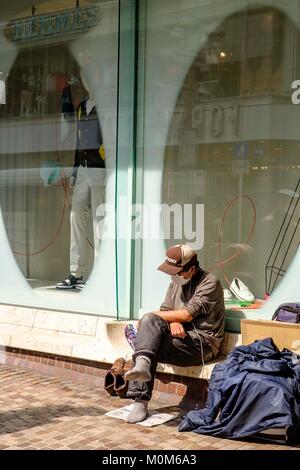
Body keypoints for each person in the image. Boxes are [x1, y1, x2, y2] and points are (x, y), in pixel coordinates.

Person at [124, 244, 225, 423]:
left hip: (202, 344)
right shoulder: (176, 282)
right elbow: (167, 310)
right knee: (148, 339)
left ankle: (141, 395)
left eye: (177, 272)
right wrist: (174, 321)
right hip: (178, 338)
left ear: (191, 269)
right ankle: (142, 370)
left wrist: (175, 318)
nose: (173, 276)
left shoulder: (210, 282)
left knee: (147, 337)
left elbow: (187, 314)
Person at [56, 73, 106, 289]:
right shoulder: (81, 107)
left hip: (100, 168)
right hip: (84, 168)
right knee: (75, 216)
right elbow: (78, 140)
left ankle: (101, 272)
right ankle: (76, 271)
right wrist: (75, 170)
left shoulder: (106, 107)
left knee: (99, 220)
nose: (87, 81)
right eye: (84, 78)